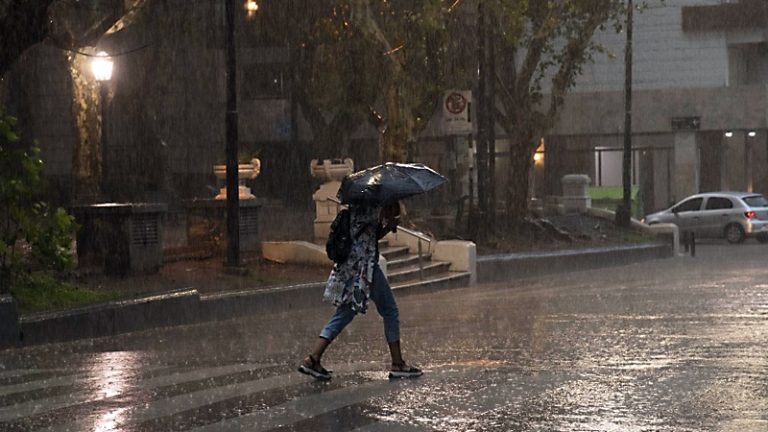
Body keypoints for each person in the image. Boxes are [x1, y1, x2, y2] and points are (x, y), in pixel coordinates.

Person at [298, 201, 423, 380]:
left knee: (344, 313)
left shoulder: (356, 206)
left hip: (349, 266)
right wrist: (389, 223)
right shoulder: (372, 208)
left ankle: (312, 359)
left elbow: (365, 235)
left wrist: (386, 226)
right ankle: (397, 363)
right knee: (389, 310)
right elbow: (369, 238)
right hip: (365, 269)